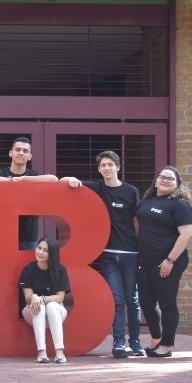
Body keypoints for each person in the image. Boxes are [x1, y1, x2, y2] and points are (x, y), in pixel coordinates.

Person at [61, 151, 144, 358]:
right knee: (117, 299)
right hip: (108, 254)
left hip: (130, 253)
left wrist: (141, 248)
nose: (106, 168)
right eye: (103, 165)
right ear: (99, 169)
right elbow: (64, 181)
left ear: (118, 166)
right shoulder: (98, 188)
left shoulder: (131, 191)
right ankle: (118, 342)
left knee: (132, 299)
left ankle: (135, 341)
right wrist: (70, 179)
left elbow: (137, 221)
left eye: (110, 164)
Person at [136, 166, 192, 358]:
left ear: (177, 184)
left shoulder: (179, 204)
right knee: (146, 303)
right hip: (147, 262)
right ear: (156, 180)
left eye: (171, 179)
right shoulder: (147, 201)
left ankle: (167, 345)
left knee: (167, 304)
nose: (166, 180)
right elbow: (139, 224)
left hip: (168, 262)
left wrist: (169, 260)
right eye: (162, 177)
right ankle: (156, 338)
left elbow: (186, 234)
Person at [0, 137, 58, 249]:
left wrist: (23, 179)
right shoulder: (2, 173)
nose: (21, 153)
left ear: (30, 157)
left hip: (28, 237)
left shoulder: (32, 175)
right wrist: (9, 181)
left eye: (25, 151)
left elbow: (53, 179)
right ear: (11, 153)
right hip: (3, 234)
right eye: (18, 149)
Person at [19, 236, 71, 364]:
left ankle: (60, 352)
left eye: (45, 250)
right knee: (39, 307)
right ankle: (42, 352)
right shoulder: (28, 269)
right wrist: (34, 297)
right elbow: (27, 298)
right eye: (39, 248)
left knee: (51, 305)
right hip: (32, 312)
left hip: (56, 313)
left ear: (52, 254)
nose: (40, 252)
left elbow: (60, 297)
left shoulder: (60, 270)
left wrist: (42, 298)